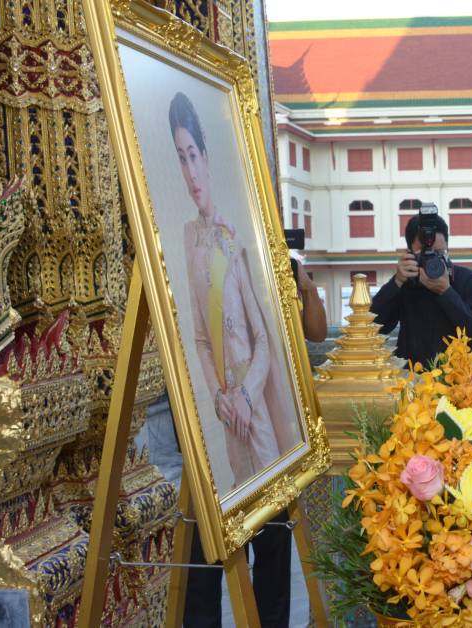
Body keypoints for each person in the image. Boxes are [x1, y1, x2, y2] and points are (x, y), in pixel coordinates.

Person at [170, 92, 312, 628]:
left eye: (193, 154)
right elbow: (200, 342)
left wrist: (246, 395)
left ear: (208, 157)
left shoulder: (239, 238)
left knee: (271, 543)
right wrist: (217, 396)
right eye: (179, 157)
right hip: (219, 418)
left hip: (256, 419)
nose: (188, 169)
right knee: (210, 546)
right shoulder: (183, 238)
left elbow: (265, 341)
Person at [371, 214, 472, 366]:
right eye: (425, 254)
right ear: (409, 253)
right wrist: (397, 282)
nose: (433, 260)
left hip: (460, 380)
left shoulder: (470, 281)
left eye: (439, 253)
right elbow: (374, 328)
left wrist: (446, 292)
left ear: (448, 248)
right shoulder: (406, 282)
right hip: (412, 379)